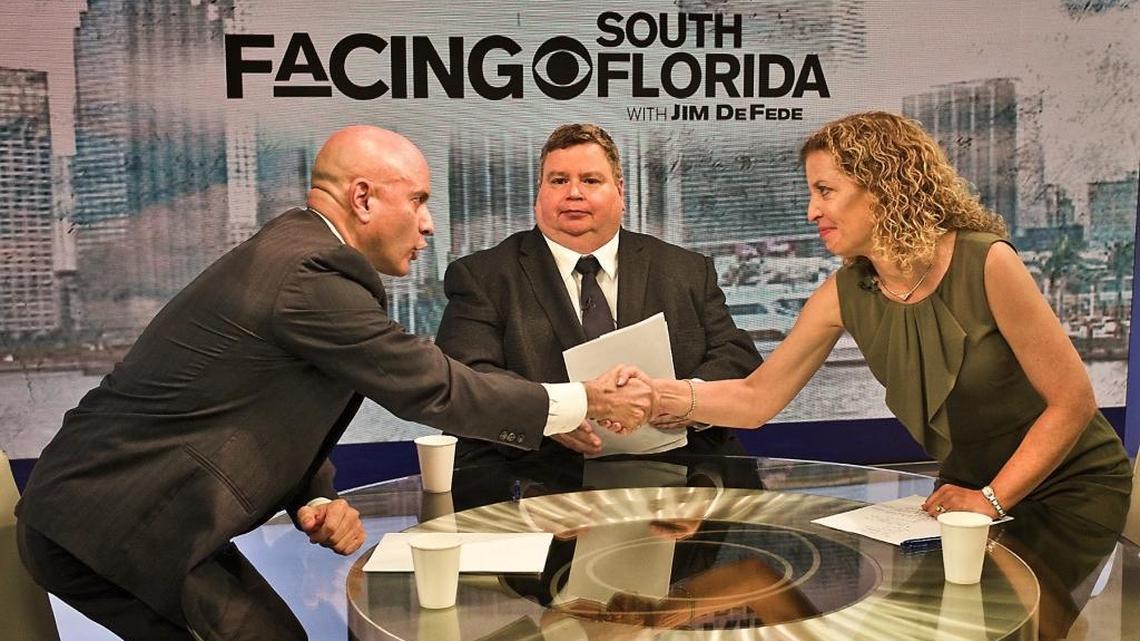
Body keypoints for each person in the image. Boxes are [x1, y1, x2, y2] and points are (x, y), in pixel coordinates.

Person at [15, 126, 653, 641]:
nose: (428, 226)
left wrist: (310, 499)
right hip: (111, 524)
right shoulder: (307, 272)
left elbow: (264, 404)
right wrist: (583, 400)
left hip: (137, 518)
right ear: (365, 198)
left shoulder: (301, 259)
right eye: (420, 201)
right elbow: (434, 387)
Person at [649, 111, 1132, 532]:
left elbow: (1073, 402)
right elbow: (756, 400)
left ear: (882, 189)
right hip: (966, 495)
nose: (811, 210)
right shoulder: (843, 294)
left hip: (1069, 487)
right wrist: (659, 396)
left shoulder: (986, 261)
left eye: (825, 191)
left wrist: (991, 499)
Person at [436, 123, 761, 464]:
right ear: (539, 193)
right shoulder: (483, 276)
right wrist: (546, 414)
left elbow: (737, 358)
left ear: (620, 192)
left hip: (679, 475)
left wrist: (685, 401)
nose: (574, 193)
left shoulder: (686, 270)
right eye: (559, 181)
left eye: (590, 180)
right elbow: (463, 375)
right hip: (535, 478)